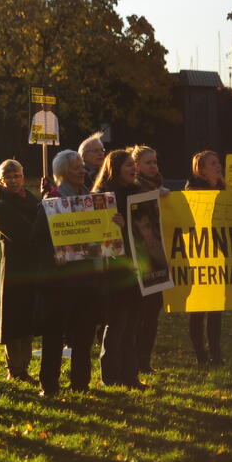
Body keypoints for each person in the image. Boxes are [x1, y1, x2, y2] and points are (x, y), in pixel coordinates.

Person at [32, 149, 104, 397]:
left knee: (84, 334)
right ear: (63, 173)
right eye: (76, 167)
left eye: (82, 166)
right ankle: (49, 385)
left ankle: (81, 384)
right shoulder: (51, 202)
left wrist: (113, 224)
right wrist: (54, 257)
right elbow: (38, 240)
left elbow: (102, 235)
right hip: (59, 282)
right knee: (53, 335)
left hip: (86, 279)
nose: (82, 170)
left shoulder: (92, 200)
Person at [92, 150, 142, 389]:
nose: (134, 168)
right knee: (116, 323)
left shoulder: (138, 193)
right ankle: (110, 376)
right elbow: (98, 236)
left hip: (135, 268)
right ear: (116, 168)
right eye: (128, 165)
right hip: (113, 270)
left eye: (134, 164)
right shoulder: (102, 196)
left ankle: (130, 376)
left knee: (132, 324)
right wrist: (116, 225)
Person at [0, 159, 41, 383]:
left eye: (16, 176)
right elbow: (25, 234)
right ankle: (15, 368)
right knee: (14, 320)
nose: (13, 180)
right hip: (14, 269)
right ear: (1, 181)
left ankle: (25, 366)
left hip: (34, 268)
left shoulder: (34, 200)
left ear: (23, 177)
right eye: (8, 177)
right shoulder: (0, 208)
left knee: (29, 319)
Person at [184, 150, 225, 367]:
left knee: (217, 308)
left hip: (218, 255)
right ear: (201, 169)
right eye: (213, 163)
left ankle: (216, 355)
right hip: (198, 256)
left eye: (218, 162)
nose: (219, 166)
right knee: (199, 309)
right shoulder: (193, 191)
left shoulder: (224, 190)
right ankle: (201, 355)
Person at [130, 145, 168, 373]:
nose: (153, 166)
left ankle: (145, 361)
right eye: (148, 163)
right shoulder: (135, 188)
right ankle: (135, 359)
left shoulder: (158, 187)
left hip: (159, 260)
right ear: (137, 166)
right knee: (142, 314)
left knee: (153, 312)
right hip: (142, 260)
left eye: (155, 162)